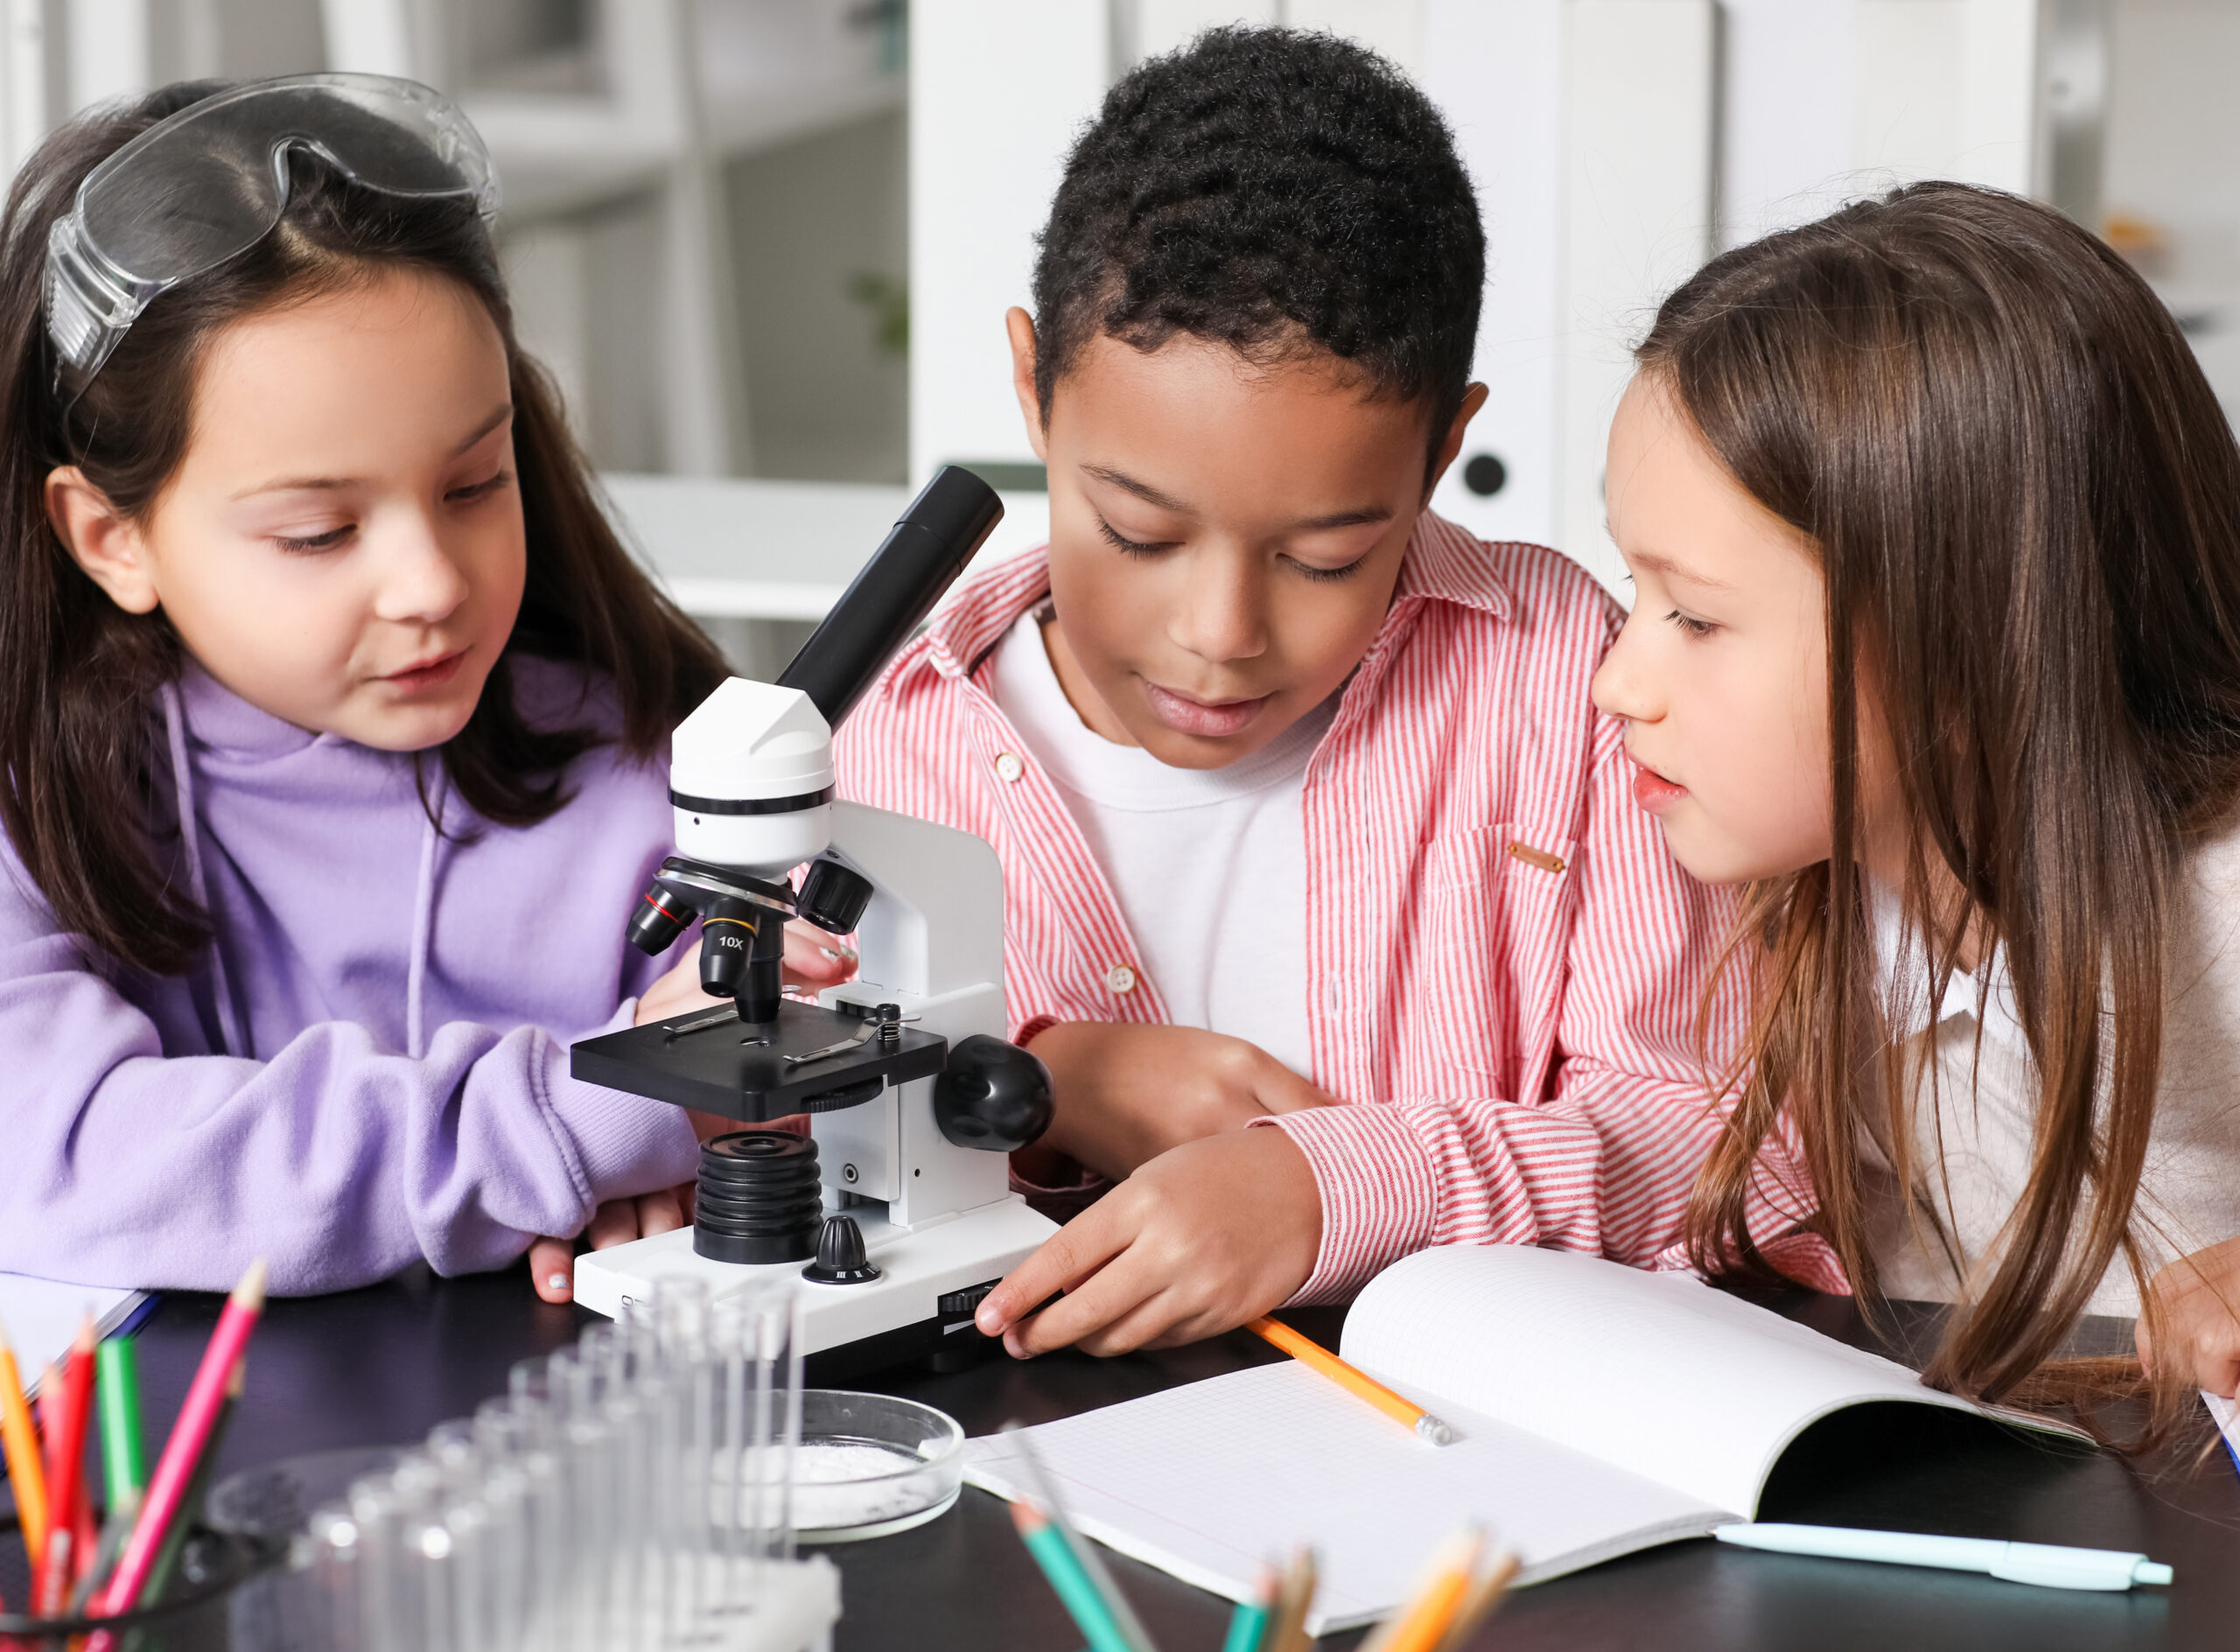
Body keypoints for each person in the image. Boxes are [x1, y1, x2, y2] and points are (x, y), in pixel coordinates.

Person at [835, 27, 1744, 1356]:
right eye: (1139, 535)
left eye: (1326, 557)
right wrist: (1041, 1080)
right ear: (1034, 390)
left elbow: (1717, 1148)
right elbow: (761, 1114)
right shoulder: (886, 735)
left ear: (1441, 451)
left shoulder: (1563, 680)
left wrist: (1339, 1188)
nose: (1220, 636)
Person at [0, 76, 845, 1296]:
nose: (432, 585)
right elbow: (59, 1158)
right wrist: (584, 1121)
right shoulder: (37, 807)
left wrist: (706, 1145)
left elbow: (793, 1080)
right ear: (109, 538)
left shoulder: (666, 777)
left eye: (471, 484)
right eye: (318, 532)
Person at [1592, 179, 2240, 1424]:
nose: (1617, 680)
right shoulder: (1760, 898)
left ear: (1968, 652)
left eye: (1696, 616)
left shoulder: (2211, 906)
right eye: (1632, 590)